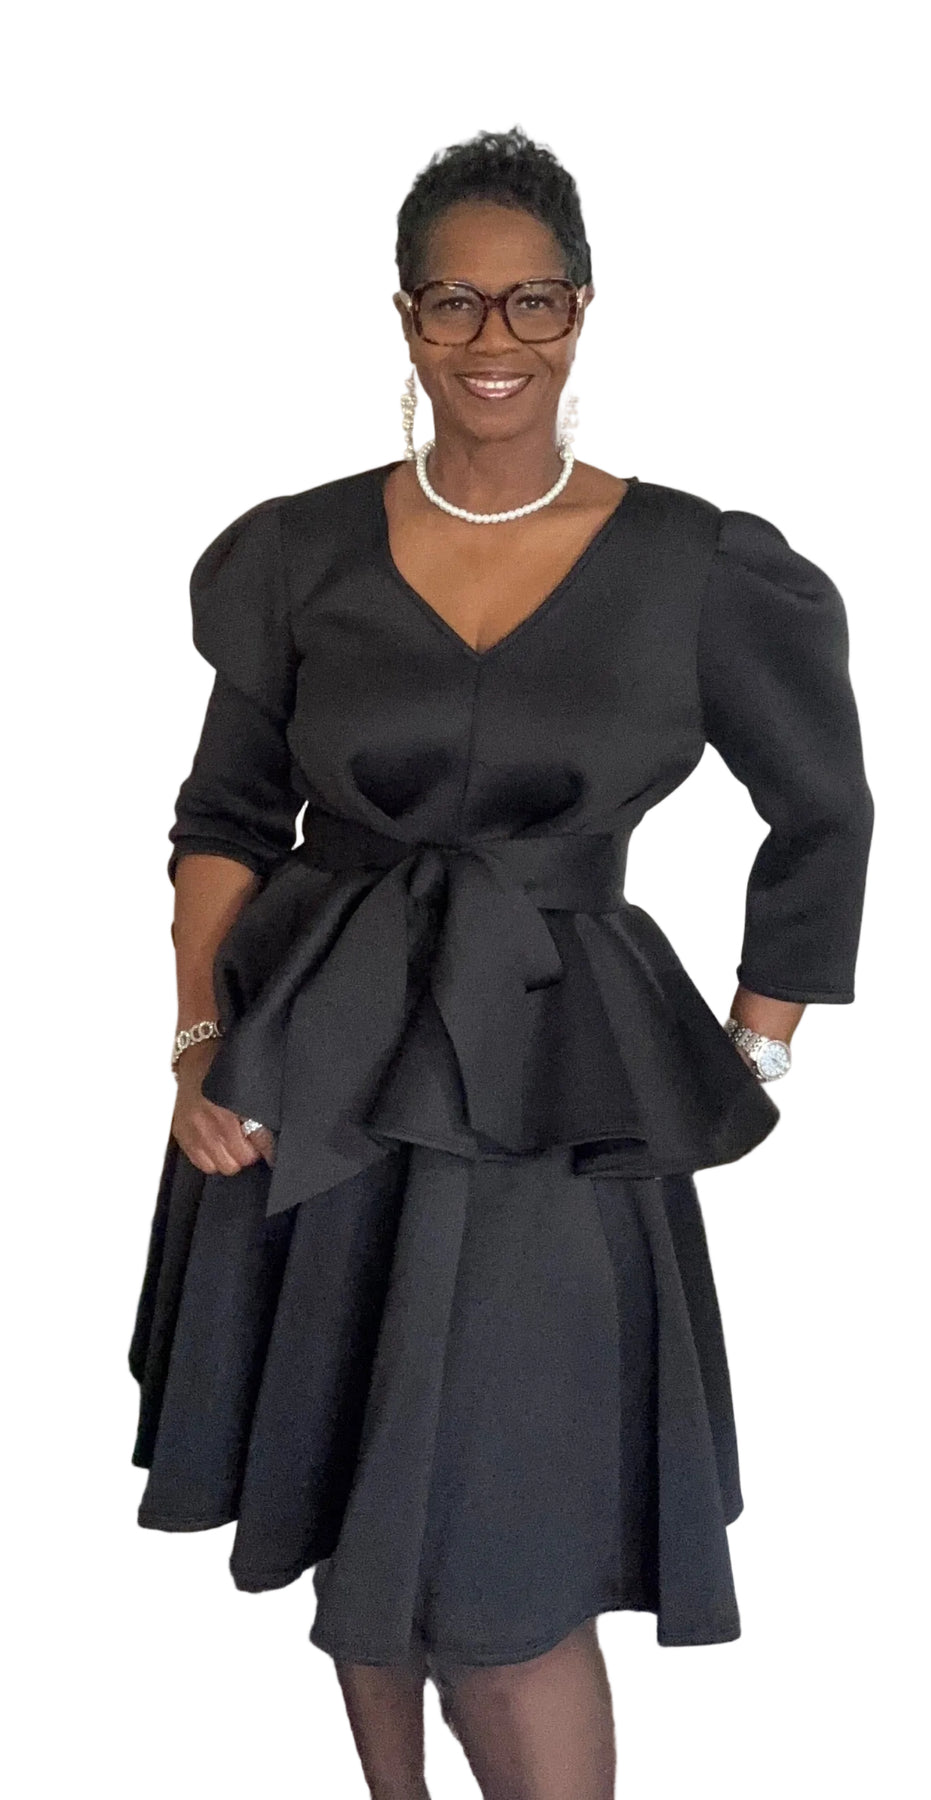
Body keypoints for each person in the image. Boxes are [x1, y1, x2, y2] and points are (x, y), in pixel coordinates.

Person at [128, 126, 875, 1800]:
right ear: (405, 317)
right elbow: (225, 817)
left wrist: (749, 1049)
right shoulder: (297, 554)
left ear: (581, 311)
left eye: (531, 300)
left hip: (556, 1090)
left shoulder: (695, 565)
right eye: (454, 302)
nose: (493, 339)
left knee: (509, 1545)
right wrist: (194, 1045)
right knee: (354, 1487)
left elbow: (824, 810)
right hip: (315, 1073)